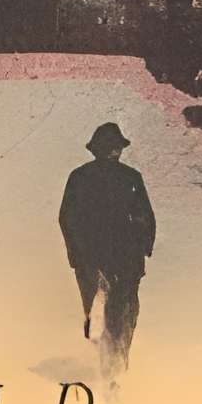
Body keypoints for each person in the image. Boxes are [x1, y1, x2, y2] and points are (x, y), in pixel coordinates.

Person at [58, 121, 157, 373]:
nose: (116, 151)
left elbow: (66, 218)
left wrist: (76, 255)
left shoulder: (79, 177)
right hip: (123, 260)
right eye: (113, 147)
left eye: (116, 146)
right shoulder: (131, 178)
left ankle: (105, 364)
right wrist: (143, 249)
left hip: (91, 259)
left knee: (95, 313)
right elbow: (146, 219)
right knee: (123, 314)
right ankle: (117, 365)